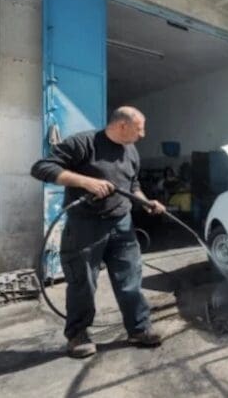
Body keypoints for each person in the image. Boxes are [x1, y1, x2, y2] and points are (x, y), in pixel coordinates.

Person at [31, 106, 166, 358]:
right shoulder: (83, 143)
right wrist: (86, 182)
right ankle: (77, 335)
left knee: (130, 280)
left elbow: (132, 185)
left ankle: (139, 328)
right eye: (139, 129)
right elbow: (41, 168)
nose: (143, 134)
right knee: (83, 283)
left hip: (122, 224)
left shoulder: (131, 150)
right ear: (122, 125)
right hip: (85, 226)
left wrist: (146, 202)